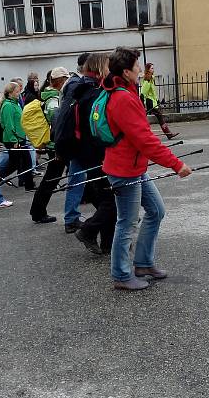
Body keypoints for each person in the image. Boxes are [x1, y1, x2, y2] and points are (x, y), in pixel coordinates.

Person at [102, 47, 192, 291]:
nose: (140, 70)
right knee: (127, 223)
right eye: (136, 66)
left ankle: (142, 263)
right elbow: (145, 140)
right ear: (126, 71)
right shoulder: (122, 98)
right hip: (124, 170)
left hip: (134, 167)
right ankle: (121, 275)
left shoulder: (127, 91)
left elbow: (141, 137)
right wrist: (176, 164)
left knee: (156, 211)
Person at [58, 53, 107, 234]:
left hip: (76, 142)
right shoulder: (82, 86)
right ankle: (107, 214)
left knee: (82, 180)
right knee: (88, 180)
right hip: (82, 143)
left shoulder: (76, 84)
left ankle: (76, 217)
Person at [29, 67, 69, 223]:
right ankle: (38, 212)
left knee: (51, 179)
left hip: (56, 144)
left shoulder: (52, 95)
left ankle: (37, 211)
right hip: (56, 145)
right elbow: (56, 120)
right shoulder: (53, 98)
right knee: (50, 179)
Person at [0, 82, 35, 191]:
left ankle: (29, 185)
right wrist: (14, 139)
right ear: (10, 93)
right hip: (13, 139)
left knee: (25, 161)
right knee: (15, 163)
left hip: (19, 138)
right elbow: (8, 124)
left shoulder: (14, 103)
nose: (19, 93)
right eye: (17, 91)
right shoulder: (8, 105)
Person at [140, 62, 178, 139]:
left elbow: (153, 92)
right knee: (155, 118)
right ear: (148, 70)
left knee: (146, 118)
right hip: (149, 103)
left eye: (153, 68)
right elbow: (142, 94)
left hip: (153, 102)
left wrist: (157, 101)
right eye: (151, 68)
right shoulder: (147, 81)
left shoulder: (151, 79)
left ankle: (168, 134)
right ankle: (168, 134)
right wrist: (143, 106)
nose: (153, 70)